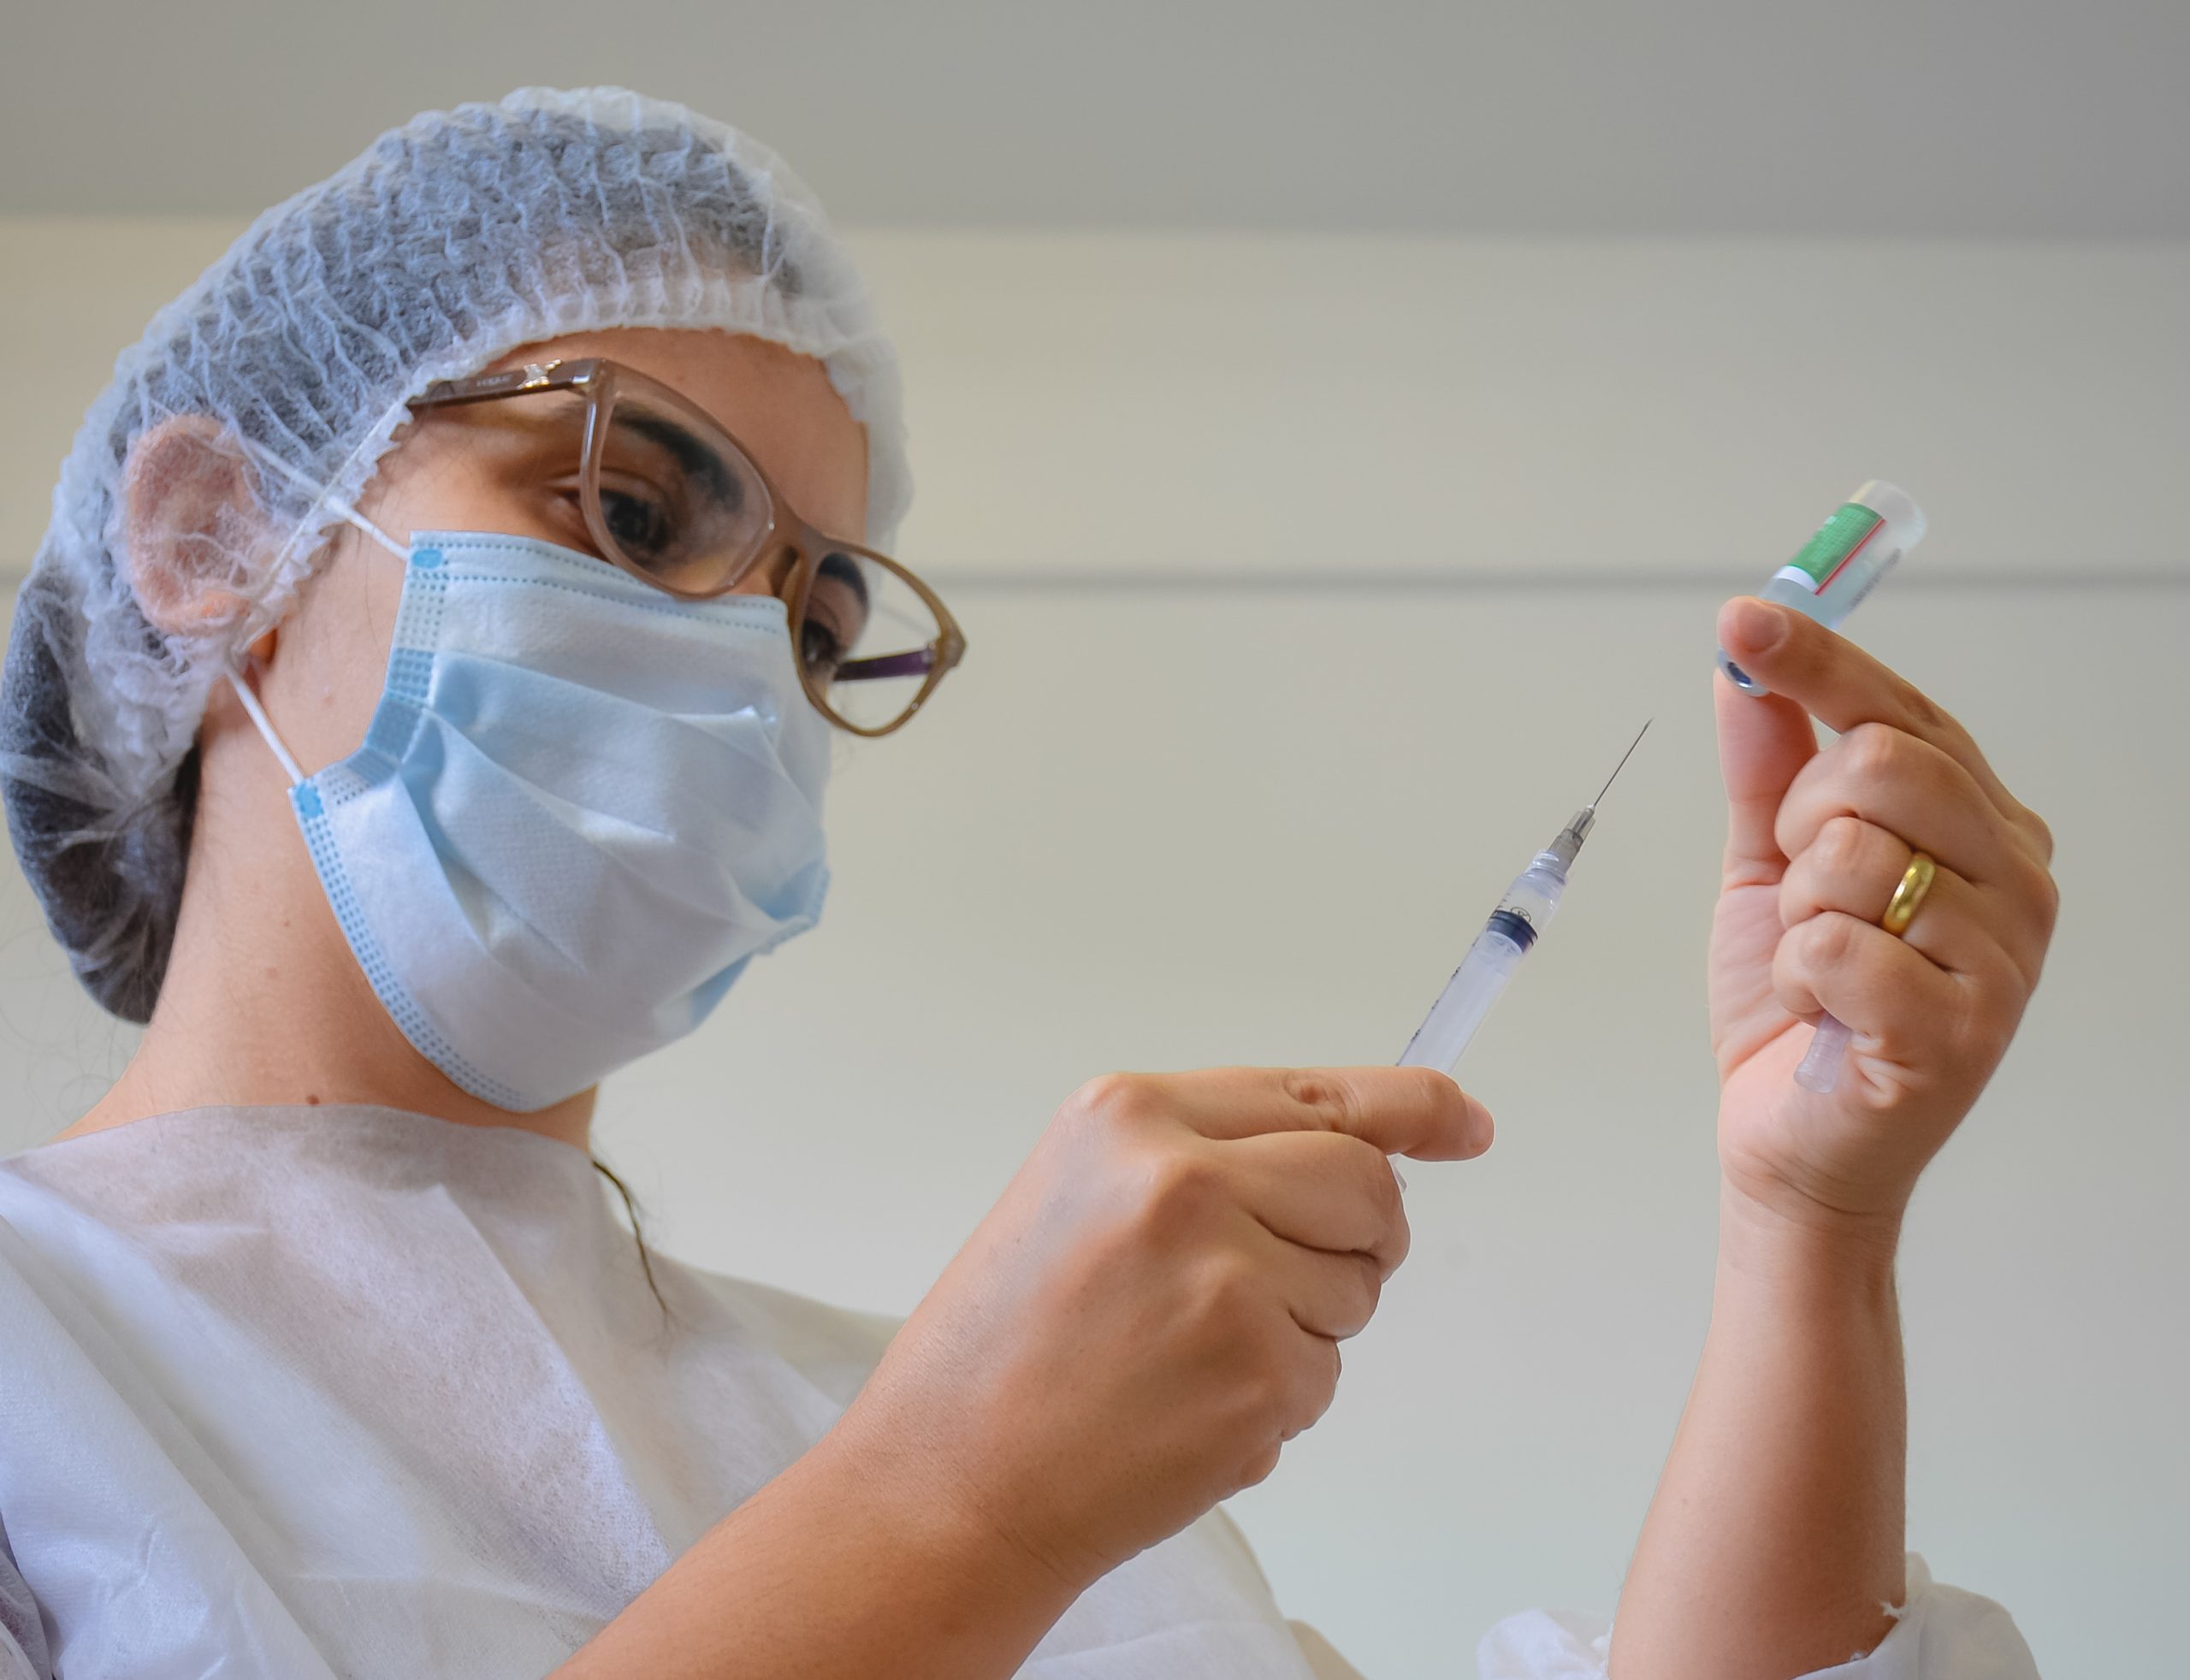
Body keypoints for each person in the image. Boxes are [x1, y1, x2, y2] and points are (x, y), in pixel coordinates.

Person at [0, 88, 2053, 1680]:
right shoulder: (987, 1432)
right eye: (625, 508)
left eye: (812, 622)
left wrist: (1811, 1225)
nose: (737, 667)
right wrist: (951, 1510)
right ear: (210, 539)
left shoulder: (947, 1416)